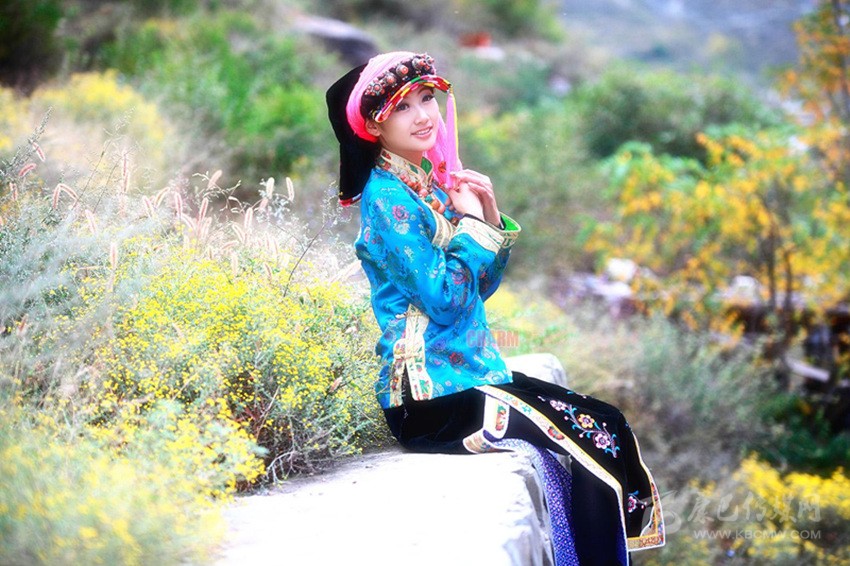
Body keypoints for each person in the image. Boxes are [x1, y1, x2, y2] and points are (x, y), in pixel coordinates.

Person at [327, 51, 664, 565]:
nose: (424, 115)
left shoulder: (422, 188)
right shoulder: (387, 199)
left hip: (468, 379)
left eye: (428, 99)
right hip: (430, 399)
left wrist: (485, 216)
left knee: (605, 422)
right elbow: (444, 302)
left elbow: (476, 293)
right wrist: (470, 227)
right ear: (375, 125)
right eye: (403, 107)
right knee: (590, 443)